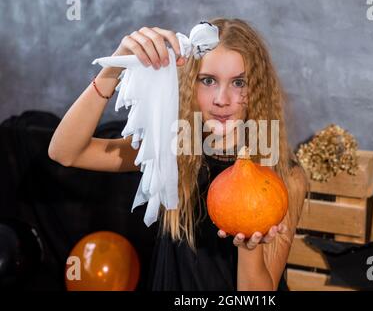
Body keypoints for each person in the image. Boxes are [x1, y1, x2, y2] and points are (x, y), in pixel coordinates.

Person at [48, 17, 307, 291]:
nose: (222, 99)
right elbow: (66, 152)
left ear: (258, 89)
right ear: (190, 85)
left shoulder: (285, 177)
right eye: (208, 80)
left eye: (239, 83)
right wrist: (114, 67)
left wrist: (249, 246)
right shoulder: (171, 150)